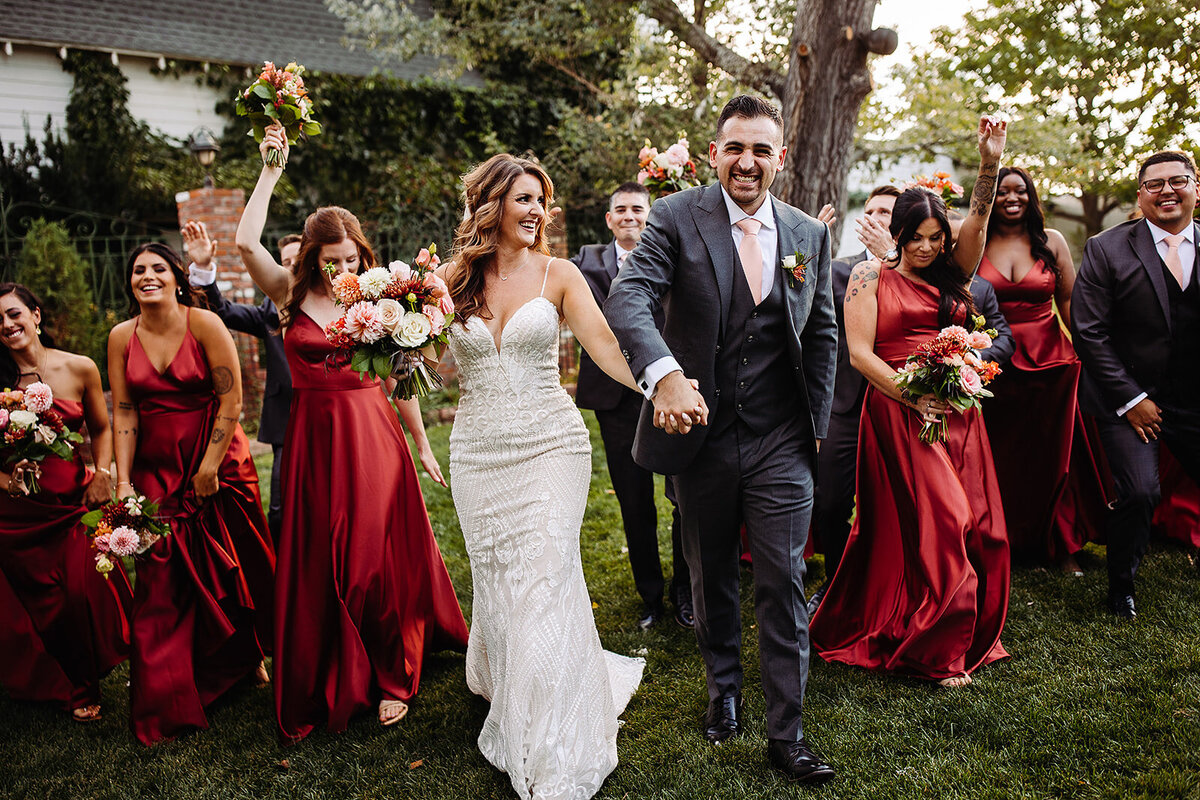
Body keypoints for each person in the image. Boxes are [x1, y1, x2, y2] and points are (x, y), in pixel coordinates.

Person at [605, 95, 837, 784]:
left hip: (779, 441)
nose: (748, 161)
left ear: (780, 159)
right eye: (736, 147)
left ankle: (788, 734)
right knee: (710, 576)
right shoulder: (677, 216)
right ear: (715, 154)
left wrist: (812, 433)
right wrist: (666, 376)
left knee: (784, 581)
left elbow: (821, 332)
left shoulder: (807, 234)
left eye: (762, 149)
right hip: (700, 439)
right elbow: (629, 299)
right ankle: (724, 689)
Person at [235, 124, 468, 742]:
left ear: (362, 257)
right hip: (313, 438)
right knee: (319, 556)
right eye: (330, 261)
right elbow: (243, 241)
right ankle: (329, 664)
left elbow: (400, 378)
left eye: (350, 260)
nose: (341, 270)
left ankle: (392, 674)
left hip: (370, 437)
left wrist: (420, 445)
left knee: (370, 558)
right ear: (311, 258)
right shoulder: (287, 292)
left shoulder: (379, 298)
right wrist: (269, 172)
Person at [438, 153, 646, 799]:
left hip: (552, 444)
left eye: (540, 200)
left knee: (545, 573)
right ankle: (512, 681)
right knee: (501, 580)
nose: (535, 212)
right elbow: (441, 371)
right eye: (523, 199)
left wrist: (654, 385)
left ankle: (556, 737)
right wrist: (398, 340)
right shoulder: (451, 281)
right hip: (478, 452)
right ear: (491, 206)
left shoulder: (561, 274)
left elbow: (605, 346)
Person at [810, 116, 1011, 688]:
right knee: (940, 521)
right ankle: (938, 649)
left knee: (981, 526)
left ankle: (962, 626)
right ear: (896, 235)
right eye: (914, 237)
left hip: (959, 414)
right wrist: (915, 397)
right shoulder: (868, 278)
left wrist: (988, 162)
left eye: (935, 238)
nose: (926, 247)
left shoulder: (956, 277)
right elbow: (860, 354)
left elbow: (978, 217)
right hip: (900, 413)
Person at [108, 243, 276, 744]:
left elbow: (232, 396)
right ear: (130, 282)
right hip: (156, 468)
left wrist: (208, 466)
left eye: (158, 268)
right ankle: (164, 696)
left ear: (177, 278)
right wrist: (122, 481)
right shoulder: (120, 337)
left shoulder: (203, 324)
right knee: (161, 573)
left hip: (217, 456)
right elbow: (123, 410)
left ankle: (244, 655)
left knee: (235, 563)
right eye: (138, 270)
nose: (147, 276)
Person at [1071, 150, 1200, 618]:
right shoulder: (1107, 247)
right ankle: (1121, 584)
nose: (1167, 190)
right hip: (1127, 398)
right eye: (1155, 184)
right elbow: (1088, 331)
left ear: (1196, 188)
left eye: (1178, 180)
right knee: (1141, 491)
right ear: (1141, 195)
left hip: (1193, 399)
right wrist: (1132, 399)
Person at [0, 283, 132, 723]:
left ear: (36, 315)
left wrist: (103, 473)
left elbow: (101, 426)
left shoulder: (80, 367)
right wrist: (7, 480)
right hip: (18, 516)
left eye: (14, 313)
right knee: (43, 604)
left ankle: (104, 664)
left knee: (80, 590)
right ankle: (77, 686)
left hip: (73, 500)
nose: (6, 324)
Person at [571, 181, 692, 630]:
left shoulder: (674, 256)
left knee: (683, 495)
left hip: (669, 388)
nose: (629, 216)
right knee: (633, 498)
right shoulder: (584, 262)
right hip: (615, 398)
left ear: (649, 215)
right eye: (620, 209)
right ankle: (650, 595)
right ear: (609, 219)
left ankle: (686, 591)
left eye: (637, 209)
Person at [977, 166, 1109, 573]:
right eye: (1002, 192)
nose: (1010, 198)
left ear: (1030, 196)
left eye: (1019, 191)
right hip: (997, 366)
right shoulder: (977, 243)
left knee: (1057, 459)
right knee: (1006, 459)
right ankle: (1009, 541)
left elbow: (1069, 302)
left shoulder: (1051, 241)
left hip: (1055, 366)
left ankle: (1062, 544)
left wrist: (1091, 356)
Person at [186, 224, 297, 540]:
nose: (291, 269)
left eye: (298, 262)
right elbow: (220, 310)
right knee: (280, 513)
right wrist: (204, 269)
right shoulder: (269, 314)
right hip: (286, 425)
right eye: (284, 263)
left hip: (331, 421)